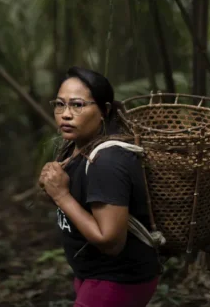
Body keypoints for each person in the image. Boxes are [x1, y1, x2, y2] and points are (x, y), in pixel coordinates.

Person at [38, 66, 161, 307]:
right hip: (92, 276)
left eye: (77, 105)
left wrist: (61, 195)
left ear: (104, 111)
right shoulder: (74, 148)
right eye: (60, 104)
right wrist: (51, 186)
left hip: (118, 279)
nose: (65, 114)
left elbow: (111, 242)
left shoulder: (107, 161)